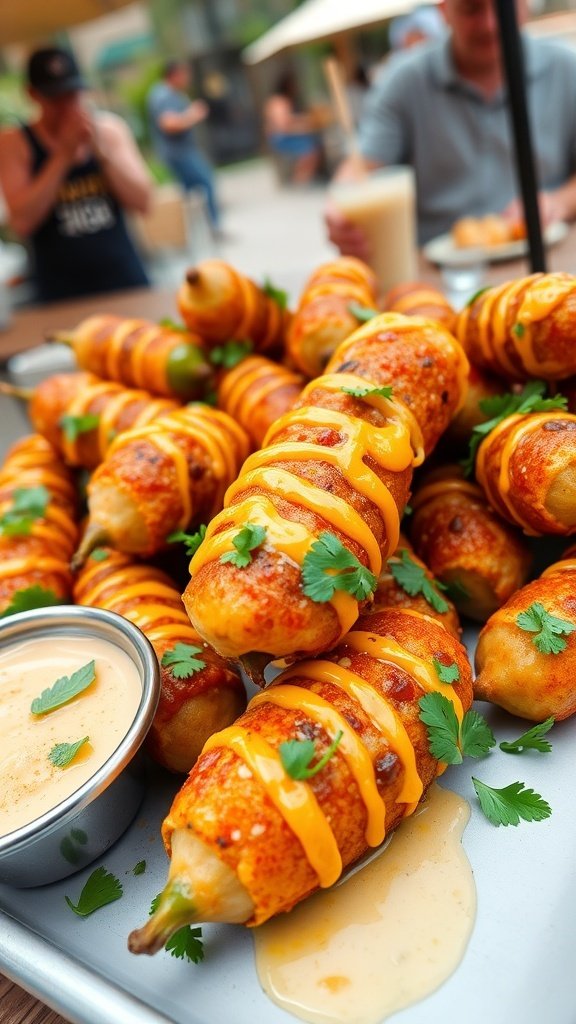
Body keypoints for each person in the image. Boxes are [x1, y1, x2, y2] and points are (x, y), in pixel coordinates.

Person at [326, 0, 576, 252]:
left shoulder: (567, 67)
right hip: (440, 274)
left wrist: (559, 201)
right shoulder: (405, 81)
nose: (490, 24)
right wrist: (340, 205)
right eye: (471, 9)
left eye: (504, 7)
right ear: (443, 11)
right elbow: (362, 165)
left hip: (551, 260)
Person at [0, 47, 152, 303]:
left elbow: (144, 203)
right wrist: (63, 156)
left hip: (125, 282)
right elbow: (22, 223)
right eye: (55, 98)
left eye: (72, 94)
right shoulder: (15, 144)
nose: (67, 106)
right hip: (60, 296)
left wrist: (101, 152)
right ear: (32, 95)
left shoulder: (109, 130)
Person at [147, 61, 221, 231]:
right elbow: (168, 124)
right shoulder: (164, 95)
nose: (187, 79)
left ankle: (199, 231)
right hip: (179, 152)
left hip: (179, 152)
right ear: (174, 75)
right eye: (184, 75)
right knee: (205, 182)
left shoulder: (169, 94)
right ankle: (212, 228)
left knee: (190, 191)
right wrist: (193, 115)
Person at [263, 73, 322, 185]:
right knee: (311, 149)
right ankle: (300, 180)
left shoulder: (278, 100)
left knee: (313, 143)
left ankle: (303, 179)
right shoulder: (280, 102)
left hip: (279, 137)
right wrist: (304, 125)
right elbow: (283, 125)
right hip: (280, 138)